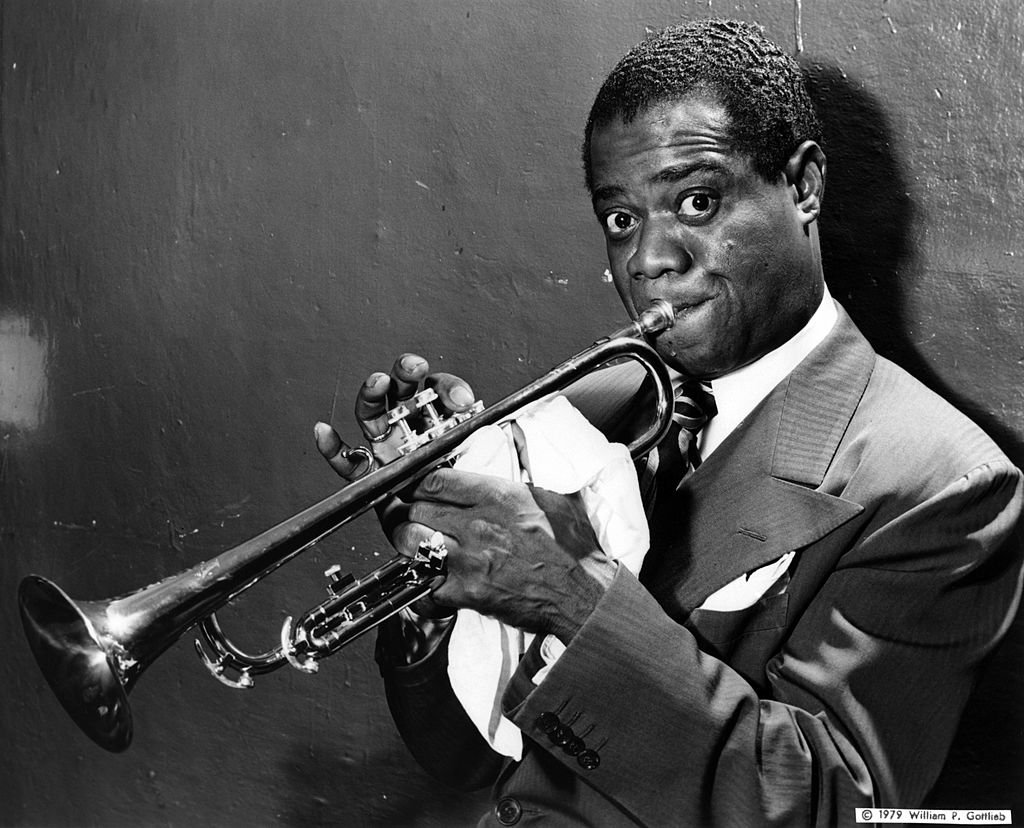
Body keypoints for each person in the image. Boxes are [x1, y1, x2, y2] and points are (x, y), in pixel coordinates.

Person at [314, 19, 1023, 827]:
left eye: (696, 200)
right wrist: (442, 578)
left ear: (803, 186)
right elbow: (467, 759)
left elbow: (830, 809)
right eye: (620, 219)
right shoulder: (592, 408)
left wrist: (562, 592)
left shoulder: (940, 480)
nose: (649, 258)